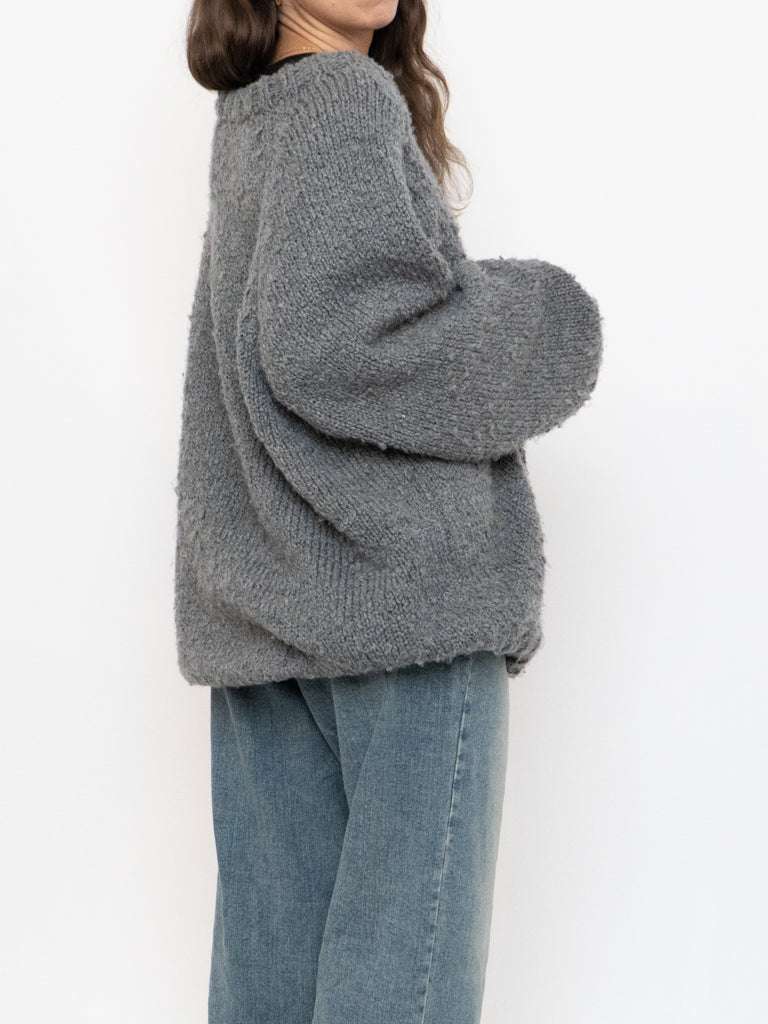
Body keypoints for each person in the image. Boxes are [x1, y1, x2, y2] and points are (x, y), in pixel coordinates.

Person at [176, 2, 604, 1022]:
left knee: (268, 991)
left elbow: (294, 347)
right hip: (405, 615)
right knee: (400, 996)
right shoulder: (341, 101)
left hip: (271, 617)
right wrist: (550, 325)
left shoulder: (256, 116)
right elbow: (341, 347)